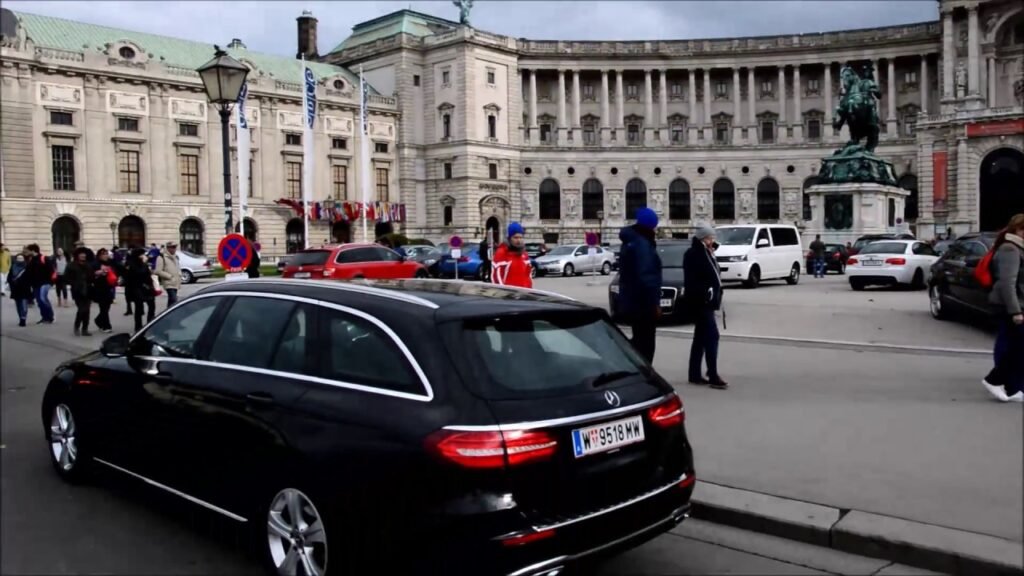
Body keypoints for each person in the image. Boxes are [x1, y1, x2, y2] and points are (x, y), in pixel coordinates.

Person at [982, 214, 1024, 403]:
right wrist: (1015, 311)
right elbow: (1008, 282)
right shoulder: (1010, 249)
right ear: (1018, 229)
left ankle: (1014, 387)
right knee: (1015, 348)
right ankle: (995, 380)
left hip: (1016, 304)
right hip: (1011, 306)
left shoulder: (1018, 248)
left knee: (1016, 347)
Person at [616, 207, 662, 363]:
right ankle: (644, 374)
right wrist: (654, 304)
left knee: (639, 339)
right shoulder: (643, 244)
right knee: (646, 343)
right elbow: (647, 276)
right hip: (643, 304)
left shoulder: (631, 240)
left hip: (633, 300)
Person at [684, 226, 727, 389]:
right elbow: (697, 278)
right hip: (701, 302)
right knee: (712, 336)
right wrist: (707, 293)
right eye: (709, 238)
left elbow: (714, 273)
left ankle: (694, 373)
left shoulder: (708, 253)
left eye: (713, 238)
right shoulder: (694, 254)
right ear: (702, 239)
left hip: (707, 301)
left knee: (700, 338)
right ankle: (713, 373)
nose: (712, 241)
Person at [491, 222, 533, 288]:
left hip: (524, 294)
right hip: (508, 296)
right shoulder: (501, 253)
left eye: (520, 237)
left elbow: (528, 275)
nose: (519, 240)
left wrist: (530, 291)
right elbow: (497, 277)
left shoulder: (524, 254)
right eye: (515, 237)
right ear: (510, 238)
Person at [124, 248, 156, 331]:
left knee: (151, 306)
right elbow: (137, 274)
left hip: (147, 289)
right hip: (137, 289)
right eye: (142, 254)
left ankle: (150, 323)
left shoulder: (143, 264)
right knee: (138, 309)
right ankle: (138, 327)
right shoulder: (132, 264)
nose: (144, 256)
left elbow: (147, 275)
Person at [65, 247, 94, 336]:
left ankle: (85, 329)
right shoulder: (71, 265)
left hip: (88, 290)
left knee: (87, 310)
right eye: (81, 254)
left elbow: (92, 277)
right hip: (77, 290)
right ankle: (77, 326)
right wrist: (75, 283)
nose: (83, 255)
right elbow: (66, 278)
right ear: (77, 255)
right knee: (82, 309)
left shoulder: (89, 265)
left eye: (84, 254)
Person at [26, 243, 55, 324]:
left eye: (28, 250)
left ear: (33, 250)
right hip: (35, 284)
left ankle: (50, 316)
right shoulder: (31, 260)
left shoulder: (43, 258)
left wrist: (51, 282)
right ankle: (45, 317)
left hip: (45, 283)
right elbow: (29, 273)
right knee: (39, 301)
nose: (27, 252)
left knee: (43, 298)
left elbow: (51, 270)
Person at [91, 248, 118, 333]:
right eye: (103, 254)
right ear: (99, 255)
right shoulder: (95, 263)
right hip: (99, 288)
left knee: (107, 306)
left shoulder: (110, 262)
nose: (105, 255)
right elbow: (91, 274)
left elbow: (116, 270)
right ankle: (106, 326)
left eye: (106, 253)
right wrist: (99, 272)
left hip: (109, 287)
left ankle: (98, 320)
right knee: (103, 307)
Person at [154, 241, 182, 308]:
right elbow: (157, 271)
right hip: (168, 282)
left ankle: (168, 313)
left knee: (171, 300)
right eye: (172, 247)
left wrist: (179, 273)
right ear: (168, 248)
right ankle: (171, 313)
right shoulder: (161, 257)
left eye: (175, 247)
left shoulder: (176, 257)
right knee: (174, 299)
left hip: (176, 281)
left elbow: (177, 267)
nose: (174, 249)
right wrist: (169, 276)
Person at [8, 253, 33, 327]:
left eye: (21, 258)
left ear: (24, 259)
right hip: (16, 289)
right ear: (16, 259)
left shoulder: (27, 267)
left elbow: (30, 278)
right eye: (18, 258)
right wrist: (12, 282)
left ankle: (23, 318)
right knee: (18, 305)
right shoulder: (13, 267)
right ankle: (20, 318)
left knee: (24, 304)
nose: (20, 260)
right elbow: (9, 278)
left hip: (25, 289)